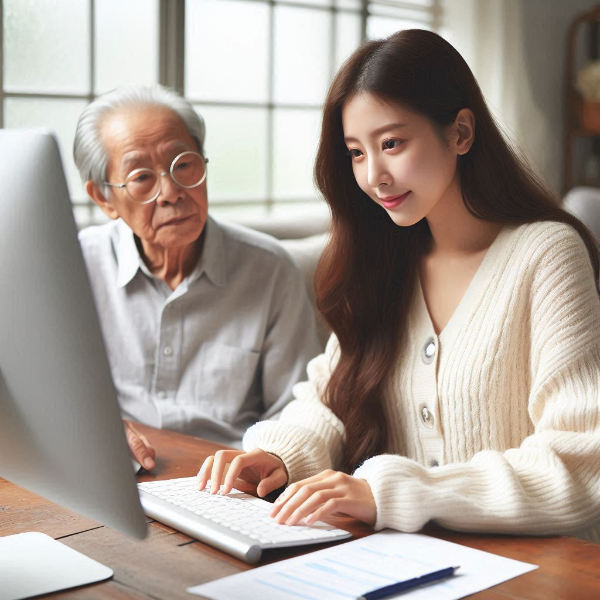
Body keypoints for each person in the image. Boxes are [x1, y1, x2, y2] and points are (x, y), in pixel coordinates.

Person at [199, 29, 600, 544]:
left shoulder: (545, 253)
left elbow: (582, 461)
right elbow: (331, 399)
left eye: (391, 143)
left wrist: (397, 492)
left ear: (459, 133)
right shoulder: (384, 259)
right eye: (356, 153)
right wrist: (279, 453)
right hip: (405, 562)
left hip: (536, 570)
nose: (374, 177)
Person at [73, 85, 321, 470]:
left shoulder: (270, 270)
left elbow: (298, 409)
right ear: (104, 198)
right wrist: (89, 429)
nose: (171, 192)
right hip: (119, 472)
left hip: (226, 482)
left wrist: (272, 458)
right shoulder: (77, 265)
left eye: (183, 164)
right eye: (141, 177)